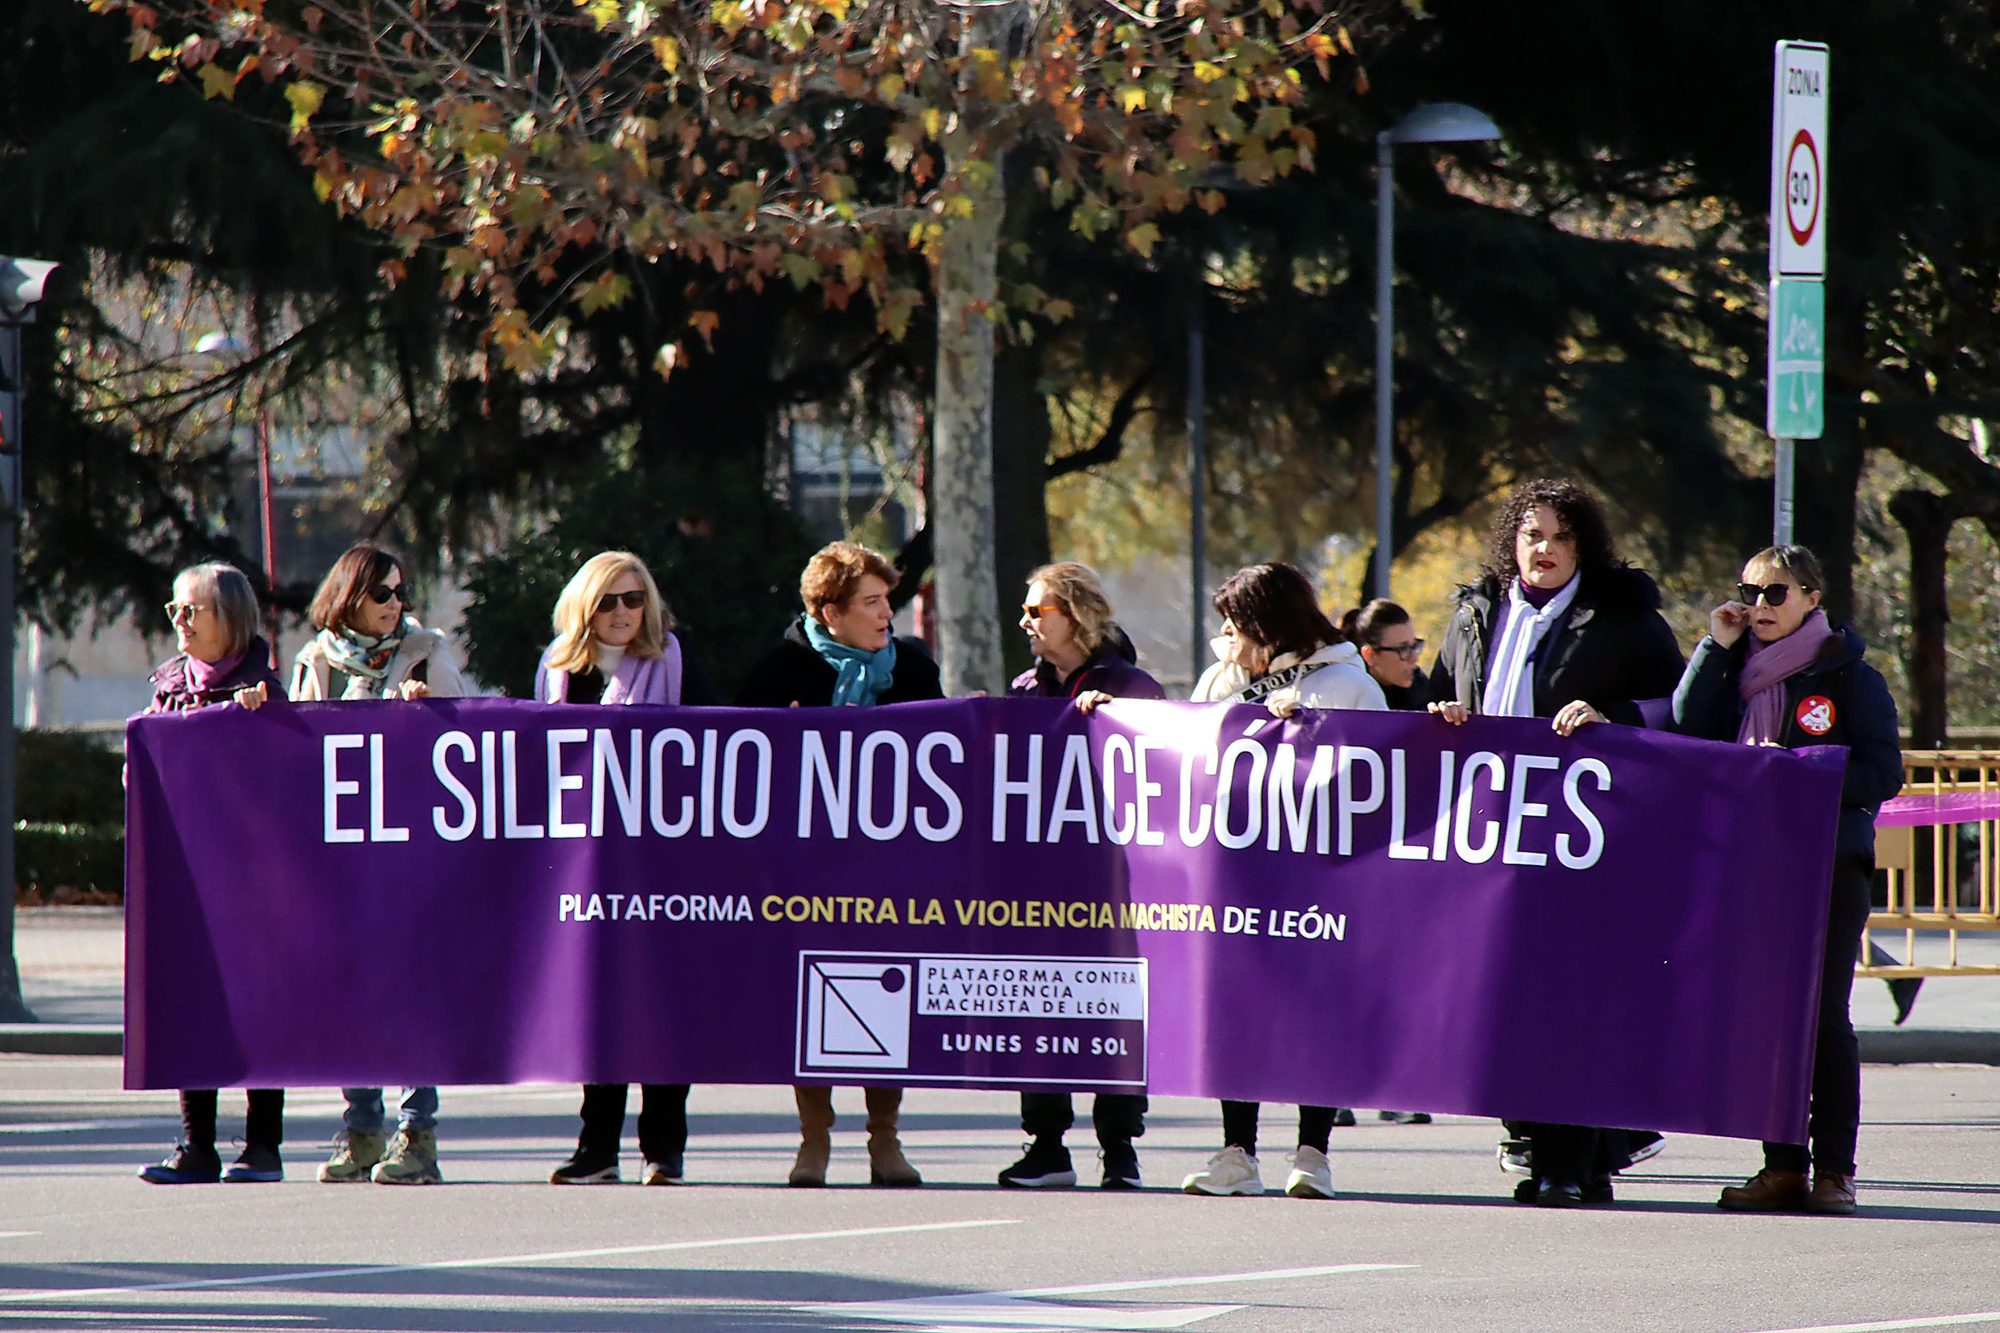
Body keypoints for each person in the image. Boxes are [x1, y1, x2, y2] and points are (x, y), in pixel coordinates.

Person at [1428, 478, 1686, 1207]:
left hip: (1584, 841)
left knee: (1569, 1000)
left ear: (1585, 546)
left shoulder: (1623, 616)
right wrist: (1443, 708)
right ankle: (1558, 1150)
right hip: (1488, 840)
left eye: (1561, 536)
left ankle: (1570, 1160)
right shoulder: (1476, 613)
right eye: (1532, 534)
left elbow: (1682, 705)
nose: (1544, 549)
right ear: (1512, 541)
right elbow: (1438, 691)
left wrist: (1610, 712)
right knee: (1504, 1000)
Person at [1673, 545, 1901, 1216]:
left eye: (1775, 593)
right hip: (1750, 867)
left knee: (1824, 1017)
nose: (1759, 605)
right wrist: (1714, 647)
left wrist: (1799, 776)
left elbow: (1881, 774)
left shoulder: (1850, 676)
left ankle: (1834, 1170)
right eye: (1749, 591)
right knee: (1766, 1019)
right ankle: (1780, 1167)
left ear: (1810, 596)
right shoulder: (1735, 667)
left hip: (1827, 864)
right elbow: (1690, 731)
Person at [737, 540, 940, 1188]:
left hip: (889, 867)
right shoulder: (779, 669)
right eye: (872, 602)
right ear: (831, 611)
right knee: (810, 998)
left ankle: (885, 1138)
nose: (887, 614)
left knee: (883, 990)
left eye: (888, 600)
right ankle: (814, 1139)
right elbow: (734, 759)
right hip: (802, 872)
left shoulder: (911, 664)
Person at [1181, 562, 1382, 1200]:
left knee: (1315, 1012)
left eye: (1238, 625)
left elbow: (1378, 775)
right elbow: (1183, 755)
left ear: (1270, 626)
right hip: (1238, 876)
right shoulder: (1222, 678)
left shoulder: (1348, 683)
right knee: (1235, 1011)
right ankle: (1236, 1152)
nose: (1228, 638)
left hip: (1322, 881)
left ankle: (1312, 1153)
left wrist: (1308, 732)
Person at [537, 551, 720, 1184]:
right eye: (609, 601)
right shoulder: (557, 670)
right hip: (587, 869)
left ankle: (663, 1148)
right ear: (585, 607)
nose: (622, 613)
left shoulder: (675, 659)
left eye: (634, 599)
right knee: (597, 1004)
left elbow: (720, 738)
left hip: (666, 864)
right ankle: (597, 1149)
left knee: (666, 1003)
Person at [292, 544, 467, 1186]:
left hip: (409, 854)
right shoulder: (316, 662)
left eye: (402, 592)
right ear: (350, 598)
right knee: (346, 993)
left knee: (410, 991)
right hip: (337, 858)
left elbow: (465, 746)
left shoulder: (427, 652)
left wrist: (431, 714)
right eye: (384, 593)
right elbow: (292, 755)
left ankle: (418, 1135)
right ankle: (362, 1128)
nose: (398, 605)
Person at [995, 562, 1163, 1191]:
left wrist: (1116, 719)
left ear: (1077, 614)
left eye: (1038, 611)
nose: (1026, 622)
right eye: (1027, 611)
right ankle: (1046, 1145)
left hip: (1115, 885)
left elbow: (1163, 769)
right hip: (1041, 885)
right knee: (1040, 999)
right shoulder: (1026, 690)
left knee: (1114, 1006)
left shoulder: (1133, 684)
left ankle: (1119, 1148)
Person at [136, 564, 287, 1185]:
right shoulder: (168, 687)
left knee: (260, 1005)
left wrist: (263, 718)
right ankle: (198, 1146)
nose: (179, 621)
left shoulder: (266, 688)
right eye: (174, 609)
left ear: (228, 619)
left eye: (190, 610)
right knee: (189, 1003)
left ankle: (263, 1147)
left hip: (255, 879)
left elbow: (288, 780)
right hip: (187, 875)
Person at [1346, 599, 1430, 712]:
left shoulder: (1421, 688)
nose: (1414, 658)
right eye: (1402, 649)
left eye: (1414, 646)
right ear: (1370, 655)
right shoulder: (1348, 694)